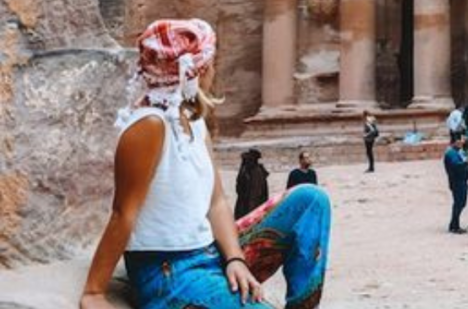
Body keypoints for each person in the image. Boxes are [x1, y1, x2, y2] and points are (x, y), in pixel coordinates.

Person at [80, 19, 331, 309]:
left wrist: (235, 258)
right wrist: (94, 291)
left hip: (209, 252)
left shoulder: (193, 122)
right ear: (193, 71)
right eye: (209, 63)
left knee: (310, 200)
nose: (213, 70)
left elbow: (216, 202)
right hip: (170, 272)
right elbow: (124, 213)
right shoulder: (149, 126)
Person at [443, 136, 468, 234]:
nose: (460, 144)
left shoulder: (455, 152)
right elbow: (456, 165)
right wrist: (466, 162)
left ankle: (454, 224)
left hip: (460, 180)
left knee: (460, 203)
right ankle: (454, 225)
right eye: (458, 143)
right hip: (457, 181)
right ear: (453, 143)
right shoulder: (451, 153)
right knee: (459, 203)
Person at [234, 148, 269, 220]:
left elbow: (256, 193)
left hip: (252, 205)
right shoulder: (245, 170)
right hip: (245, 203)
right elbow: (239, 185)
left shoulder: (256, 172)